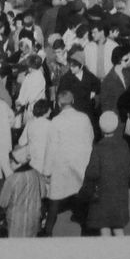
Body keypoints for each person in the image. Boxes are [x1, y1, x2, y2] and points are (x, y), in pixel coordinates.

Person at [42, 86, 94, 235]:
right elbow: (90, 138)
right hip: (81, 161)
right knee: (82, 196)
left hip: (62, 164)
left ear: (59, 104)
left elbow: (51, 148)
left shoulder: (56, 121)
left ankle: (48, 231)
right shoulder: (84, 118)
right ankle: (87, 228)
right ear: (73, 101)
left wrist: (47, 170)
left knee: (55, 198)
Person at [79, 111, 130, 236]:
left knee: (104, 226)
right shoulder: (124, 145)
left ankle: (108, 253)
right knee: (118, 226)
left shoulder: (98, 148)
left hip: (103, 192)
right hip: (119, 191)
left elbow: (92, 173)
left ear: (101, 127)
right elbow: (128, 167)